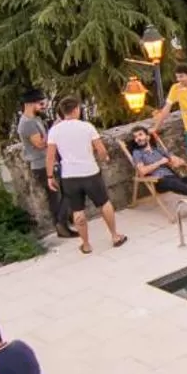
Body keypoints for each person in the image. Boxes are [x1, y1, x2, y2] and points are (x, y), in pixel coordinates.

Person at [48, 96, 127, 254]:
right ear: (76, 109)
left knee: (77, 210)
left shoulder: (54, 130)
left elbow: (50, 156)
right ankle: (115, 236)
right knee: (104, 203)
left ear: (62, 112)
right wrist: (104, 158)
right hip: (90, 172)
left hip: (69, 176)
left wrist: (50, 177)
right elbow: (101, 149)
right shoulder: (87, 126)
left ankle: (86, 244)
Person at [16, 88, 72, 238]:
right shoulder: (27, 123)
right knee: (57, 196)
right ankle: (61, 225)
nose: (43, 106)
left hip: (48, 161)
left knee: (62, 194)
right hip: (41, 165)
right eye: (40, 103)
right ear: (30, 104)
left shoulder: (35, 119)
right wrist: (54, 128)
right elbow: (40, 144)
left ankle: (63, 224)